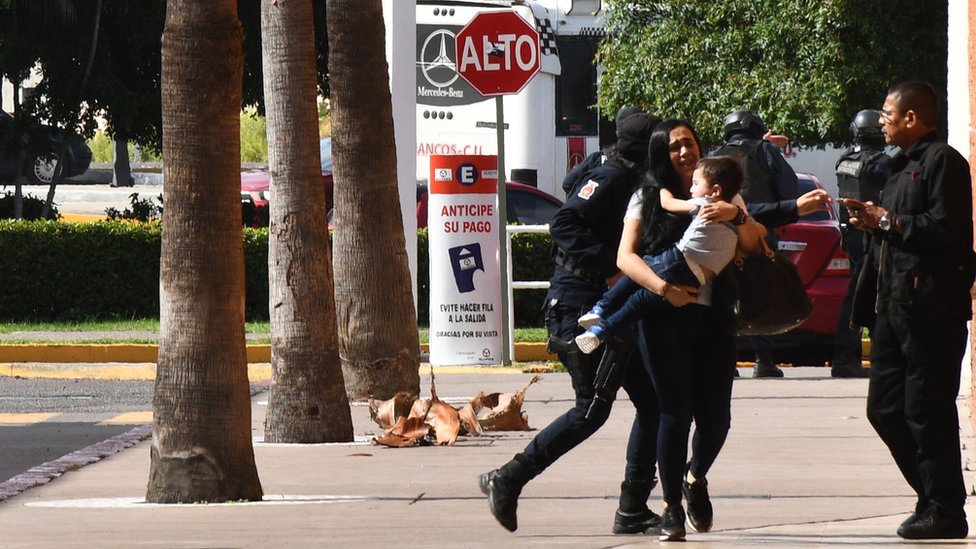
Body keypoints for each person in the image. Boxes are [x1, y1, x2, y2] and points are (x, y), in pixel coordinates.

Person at [478, 112, 664, 535]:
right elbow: (564, 220)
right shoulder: (616, 173)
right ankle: (506, 479)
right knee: (590, 410)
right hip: (578, 305)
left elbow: (571, 185)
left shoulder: (614, 166)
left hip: (608, 306)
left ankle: (633, 507)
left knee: (652, 405)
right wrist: (611, 267)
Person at [618, 119, 765, 541]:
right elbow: (626, 258)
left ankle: (695, 477)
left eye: (690, 143)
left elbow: (755, 243)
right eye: (674, 147)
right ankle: (670, 509)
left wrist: (737, 215)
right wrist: (664, 289)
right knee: (674, 415)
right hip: (663, 318)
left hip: (715, 319)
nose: (684, 152)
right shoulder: (649, 197)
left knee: (717, 419)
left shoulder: (724, 194)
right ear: (661, 155)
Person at [843, 81, 975, 540]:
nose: (881, 122)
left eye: (887, 115)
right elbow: (895, 231)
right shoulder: (898, 168)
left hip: (930, 310)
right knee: (884, 409)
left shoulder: (943, 162)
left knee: (926, 410)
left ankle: (945, 510)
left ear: (912, 118)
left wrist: (887, 220)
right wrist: (871, 220)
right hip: (891, 307)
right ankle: (932, 495)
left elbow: (944, 228)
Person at [574, 156, 747, 354]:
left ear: (715, 191)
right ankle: (600, 332)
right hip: (697, 277)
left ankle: (601, 308)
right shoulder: (736, 219)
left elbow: (668, 203)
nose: (691, 189)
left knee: (640, 272)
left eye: (696, 183)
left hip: (680, 259)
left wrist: (661, 185)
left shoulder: (704, 204)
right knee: (641, 300)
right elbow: (757, 232)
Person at [711, 109, 830, 378]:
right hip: (759, 229)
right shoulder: (765, 151)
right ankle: (763, 360)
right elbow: (787, 186)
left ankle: (727, 362)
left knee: (725, 294)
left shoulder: (715, 155)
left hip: (720, 234)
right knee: (759, 292)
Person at [830, 109, 890, 378]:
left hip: (852, 236)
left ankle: (845, 357)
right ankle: (877, 358)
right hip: (874, 235)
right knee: (880, 295)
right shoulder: (881, 163)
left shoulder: (845, 160)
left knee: (855, 295)